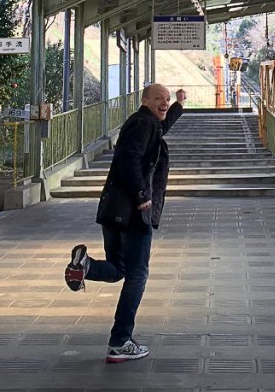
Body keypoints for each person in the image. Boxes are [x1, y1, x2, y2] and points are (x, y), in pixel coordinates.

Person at [65, 83, 186, 363]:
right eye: (159, 99)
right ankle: (120, 341)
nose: (164, 103)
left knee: (118, 268)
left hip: (116, 210)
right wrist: (142, 195)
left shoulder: (145, 123)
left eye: (166, 99)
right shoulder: (144, 125)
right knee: (137, 275)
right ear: (145, 101)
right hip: (133, 211)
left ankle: (84, 266)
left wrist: (179, 106)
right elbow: (128, 159)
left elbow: (160, 129)